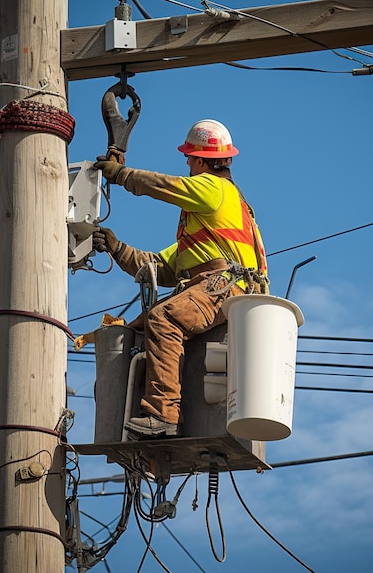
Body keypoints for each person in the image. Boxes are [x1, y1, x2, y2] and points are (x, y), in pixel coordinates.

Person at [93, 119, 268, 439]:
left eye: (190, 157)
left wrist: (121, 175)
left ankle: (164, 415)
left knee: (163, 319)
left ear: (202, 160)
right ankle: (137, 417)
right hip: (213, 285)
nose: (187, 162)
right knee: (132, 331)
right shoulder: (207, 227)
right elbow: (159, 267)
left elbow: (164, 185)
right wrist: (116, 248)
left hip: (223, 287)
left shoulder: (215, 189)